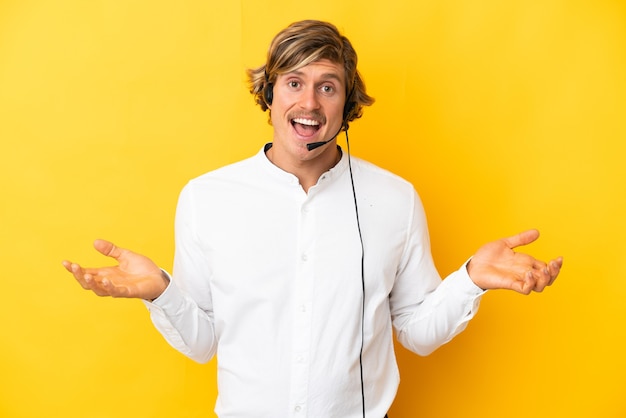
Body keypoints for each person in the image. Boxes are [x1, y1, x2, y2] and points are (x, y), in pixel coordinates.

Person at [62, 20, 562, 418]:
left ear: (348, 107)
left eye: (328, 87)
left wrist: (470, 279)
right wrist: (160, 292)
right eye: (294, 83)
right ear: (269, 95)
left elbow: (416, 331)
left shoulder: (395, 199)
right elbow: (202, 343)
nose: (309, 103)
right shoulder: (206, 197)